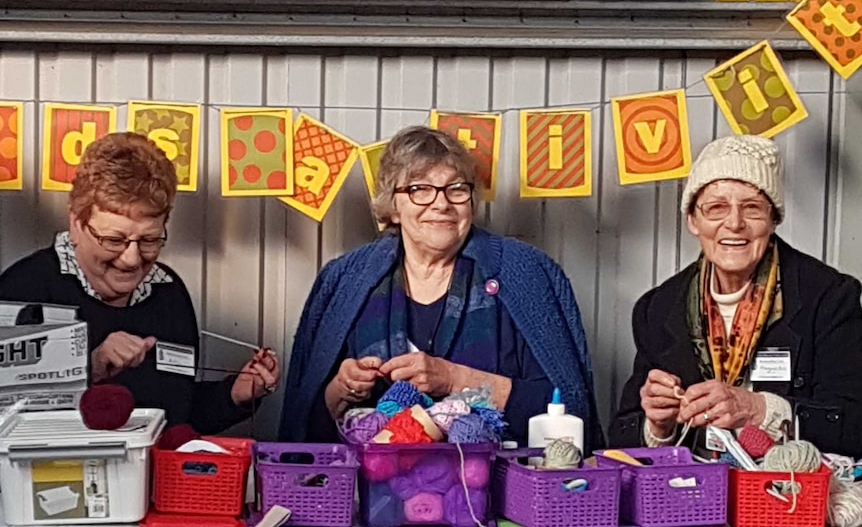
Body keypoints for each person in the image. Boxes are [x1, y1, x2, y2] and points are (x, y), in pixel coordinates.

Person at [280, 125, 601, 448]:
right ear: (392, 206)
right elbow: (302, 431)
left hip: (497, 488)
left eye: (456, 189)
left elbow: (569, 411)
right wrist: (340, 388)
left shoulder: (524, 273)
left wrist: (455, 379)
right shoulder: (346, 280)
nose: (441, 204)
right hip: (371, 490)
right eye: (420, 189)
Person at [0, 132, 280, 432]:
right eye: (113, 240)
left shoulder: (167, 292)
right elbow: (10, 415)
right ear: (76, 222)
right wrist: (90, 368)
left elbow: (175, 413)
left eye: (149, 240)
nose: (132, 259)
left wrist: (234, 395)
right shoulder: (23, 291)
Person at [610, 134, 862, 457]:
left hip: (788, 494)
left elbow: (853, 425)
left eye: (752, 208)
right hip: (694, 494)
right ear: (693, 220)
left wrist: (760, 410)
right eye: (716, 208)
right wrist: (658, 427)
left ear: (773, 220)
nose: (734, 223)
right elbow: (618, 437)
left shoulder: (828, 297)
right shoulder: (658, 308)